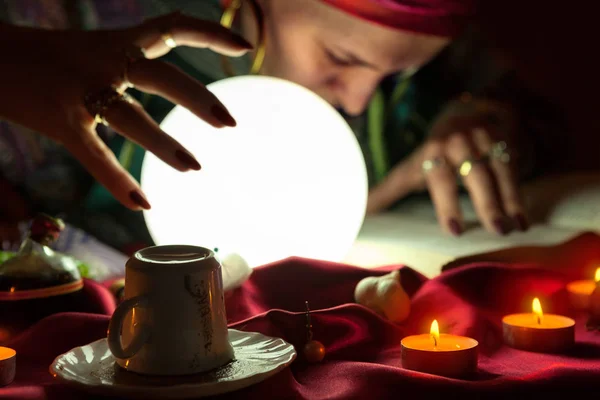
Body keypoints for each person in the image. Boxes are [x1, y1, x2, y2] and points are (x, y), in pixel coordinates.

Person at [0, 0, 562, 253]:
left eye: (400, 72)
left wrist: (484, 118)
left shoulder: (443, 52)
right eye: (342, 57)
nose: (361, 101)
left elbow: (539, 113)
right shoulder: (72, 26)